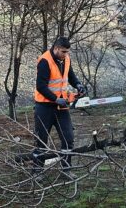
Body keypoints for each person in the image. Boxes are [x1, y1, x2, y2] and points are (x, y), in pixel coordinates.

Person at [32, 36, 86, 180]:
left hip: (61, 107)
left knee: (68, 138)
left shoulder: (66, 59)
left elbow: (71, 76)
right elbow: (41, 86)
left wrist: (78, 85)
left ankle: (66, 170)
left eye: (67, 52)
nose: (66, 54)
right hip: (44, 107)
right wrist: (56, 99)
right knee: (41, 140)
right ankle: (37, 171)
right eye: (63, 51)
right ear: (56, 49)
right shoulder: (45, 61)